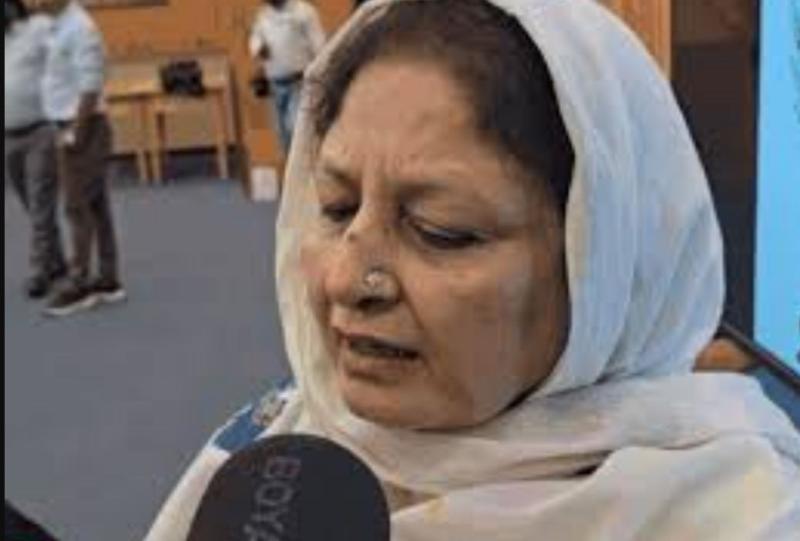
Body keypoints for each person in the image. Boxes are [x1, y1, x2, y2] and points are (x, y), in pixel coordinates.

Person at [146, 1, 800, 539]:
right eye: (337, 208)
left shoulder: (735, 516)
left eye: (442, 231)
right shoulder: (280, 458)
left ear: (606, 270)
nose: (344, 279)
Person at [28, 0, 126, 317]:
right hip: (67, 123)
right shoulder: (56, 24)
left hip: (83, 127)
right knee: (95, 203)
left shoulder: (81, 28)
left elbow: (90, 87)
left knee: (76, 206)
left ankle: (79, 282)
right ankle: (108, 279)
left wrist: (75, 133)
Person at [5, 0, 67, 299]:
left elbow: (66, 59)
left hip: (40, 131)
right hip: (8, 136)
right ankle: (56, 260)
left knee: (41, 200)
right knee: (31, 203)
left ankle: (39, 271)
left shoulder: (38, 29)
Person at [248, 0, 326, 155]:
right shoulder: (263, 15)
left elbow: (320, 46)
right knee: (282, 135)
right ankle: (290, 168)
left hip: (299, 83)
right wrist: (258, 48)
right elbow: (255, 39)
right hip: (275, 84)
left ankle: (306, 167)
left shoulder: (304, 12)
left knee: (296, 130)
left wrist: (319, 76)